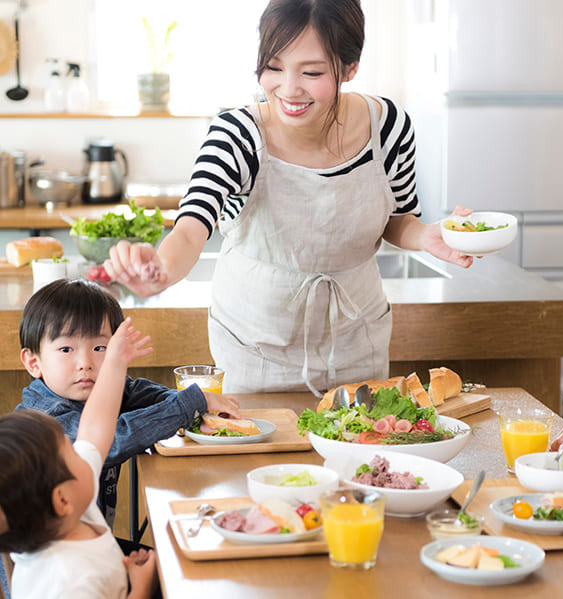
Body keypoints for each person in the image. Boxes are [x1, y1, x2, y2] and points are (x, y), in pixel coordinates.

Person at [104, 0, 473, 397]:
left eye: (311, 72)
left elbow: (398, 219)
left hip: (356, 345)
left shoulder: (389, 129)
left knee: (362, 454)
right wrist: (160, 268)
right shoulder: (236, 135)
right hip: (255, 351)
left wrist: (427, 237)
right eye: (274, 67)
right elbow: (192, 228)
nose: (289, 88)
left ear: (349, 68)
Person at [15, 278, 240, 527]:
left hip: (89, 547)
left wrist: (198, 410)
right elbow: (112, 439)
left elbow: (137, 391)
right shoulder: (43, 421)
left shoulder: (103, 391)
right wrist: (191, 403)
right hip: (49, 561)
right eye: (67, 349)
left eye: (101, 348)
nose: (85, 362)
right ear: (34, 362)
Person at [0, 317, 158, 598]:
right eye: (71, 453)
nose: (82, 450)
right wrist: (141, 587)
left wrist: (115, 362)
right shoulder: (70, 582)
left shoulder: (69, 511)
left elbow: (95, 427)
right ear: (62, 500)